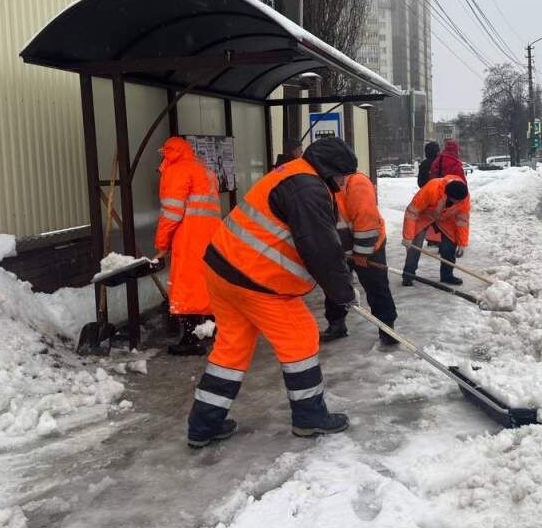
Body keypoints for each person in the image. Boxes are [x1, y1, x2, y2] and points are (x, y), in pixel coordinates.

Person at [186, 137, 357, 448]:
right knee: (301, 337)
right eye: (344, 175)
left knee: (231, 348)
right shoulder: (309, 188)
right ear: (332, 171)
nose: (345, 183)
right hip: (255, 278)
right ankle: (310, 418)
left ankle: (203, 425)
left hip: (221, 269)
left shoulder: (293, 173)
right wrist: (343, 292)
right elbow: (319, 247)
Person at [154, 137, 223, 356]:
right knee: (207, 285)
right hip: (211, 237)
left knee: (187, 288)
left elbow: (172, 212)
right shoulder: (204, 170)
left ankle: (191, 338)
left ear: (169, 153)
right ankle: (212, 329)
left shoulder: (178, 170)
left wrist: (161, 244)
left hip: (189, 237)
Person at [320, 170, 399, 347]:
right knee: (334, 286)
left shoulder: (356, 183)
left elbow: (367, 222)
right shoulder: (322, 182)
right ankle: (336, 324)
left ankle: (387, 329)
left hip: (368, 245)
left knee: (376, 287)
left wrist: (361, 254)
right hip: (340, 246)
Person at [401, 176, 470, 287]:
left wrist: (462, 243)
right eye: (455, 201)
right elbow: (411, 212)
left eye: (459, 201)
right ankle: (408, 275)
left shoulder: (463, 197)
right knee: (414, 245)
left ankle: (447, 275)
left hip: (445, 219)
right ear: (447, 195)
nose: (458, 203)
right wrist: (408, 237)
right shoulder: (431, 189)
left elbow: (462, 221)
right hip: (423, 216)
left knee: (449, 246)